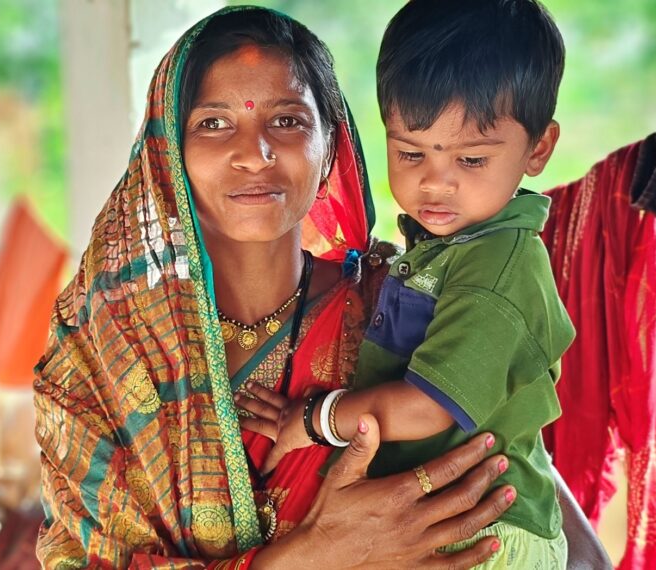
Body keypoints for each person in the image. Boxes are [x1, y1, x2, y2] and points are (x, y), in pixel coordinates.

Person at [33, 6, 607, 569]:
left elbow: (569, 546)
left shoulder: (404, 303)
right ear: (166, 153)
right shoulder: (101, 355)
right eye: (213, 123)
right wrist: (313, 557)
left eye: (287, 121)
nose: (253, 154)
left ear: (331, 144)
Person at [238, 1, 572, 567]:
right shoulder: (440, 251)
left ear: (537, 149)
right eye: (410, 153)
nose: (434, 183)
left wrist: (317, 421)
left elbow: (427, 409)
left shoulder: (496, 267)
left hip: (486, 533)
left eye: (470, 159)